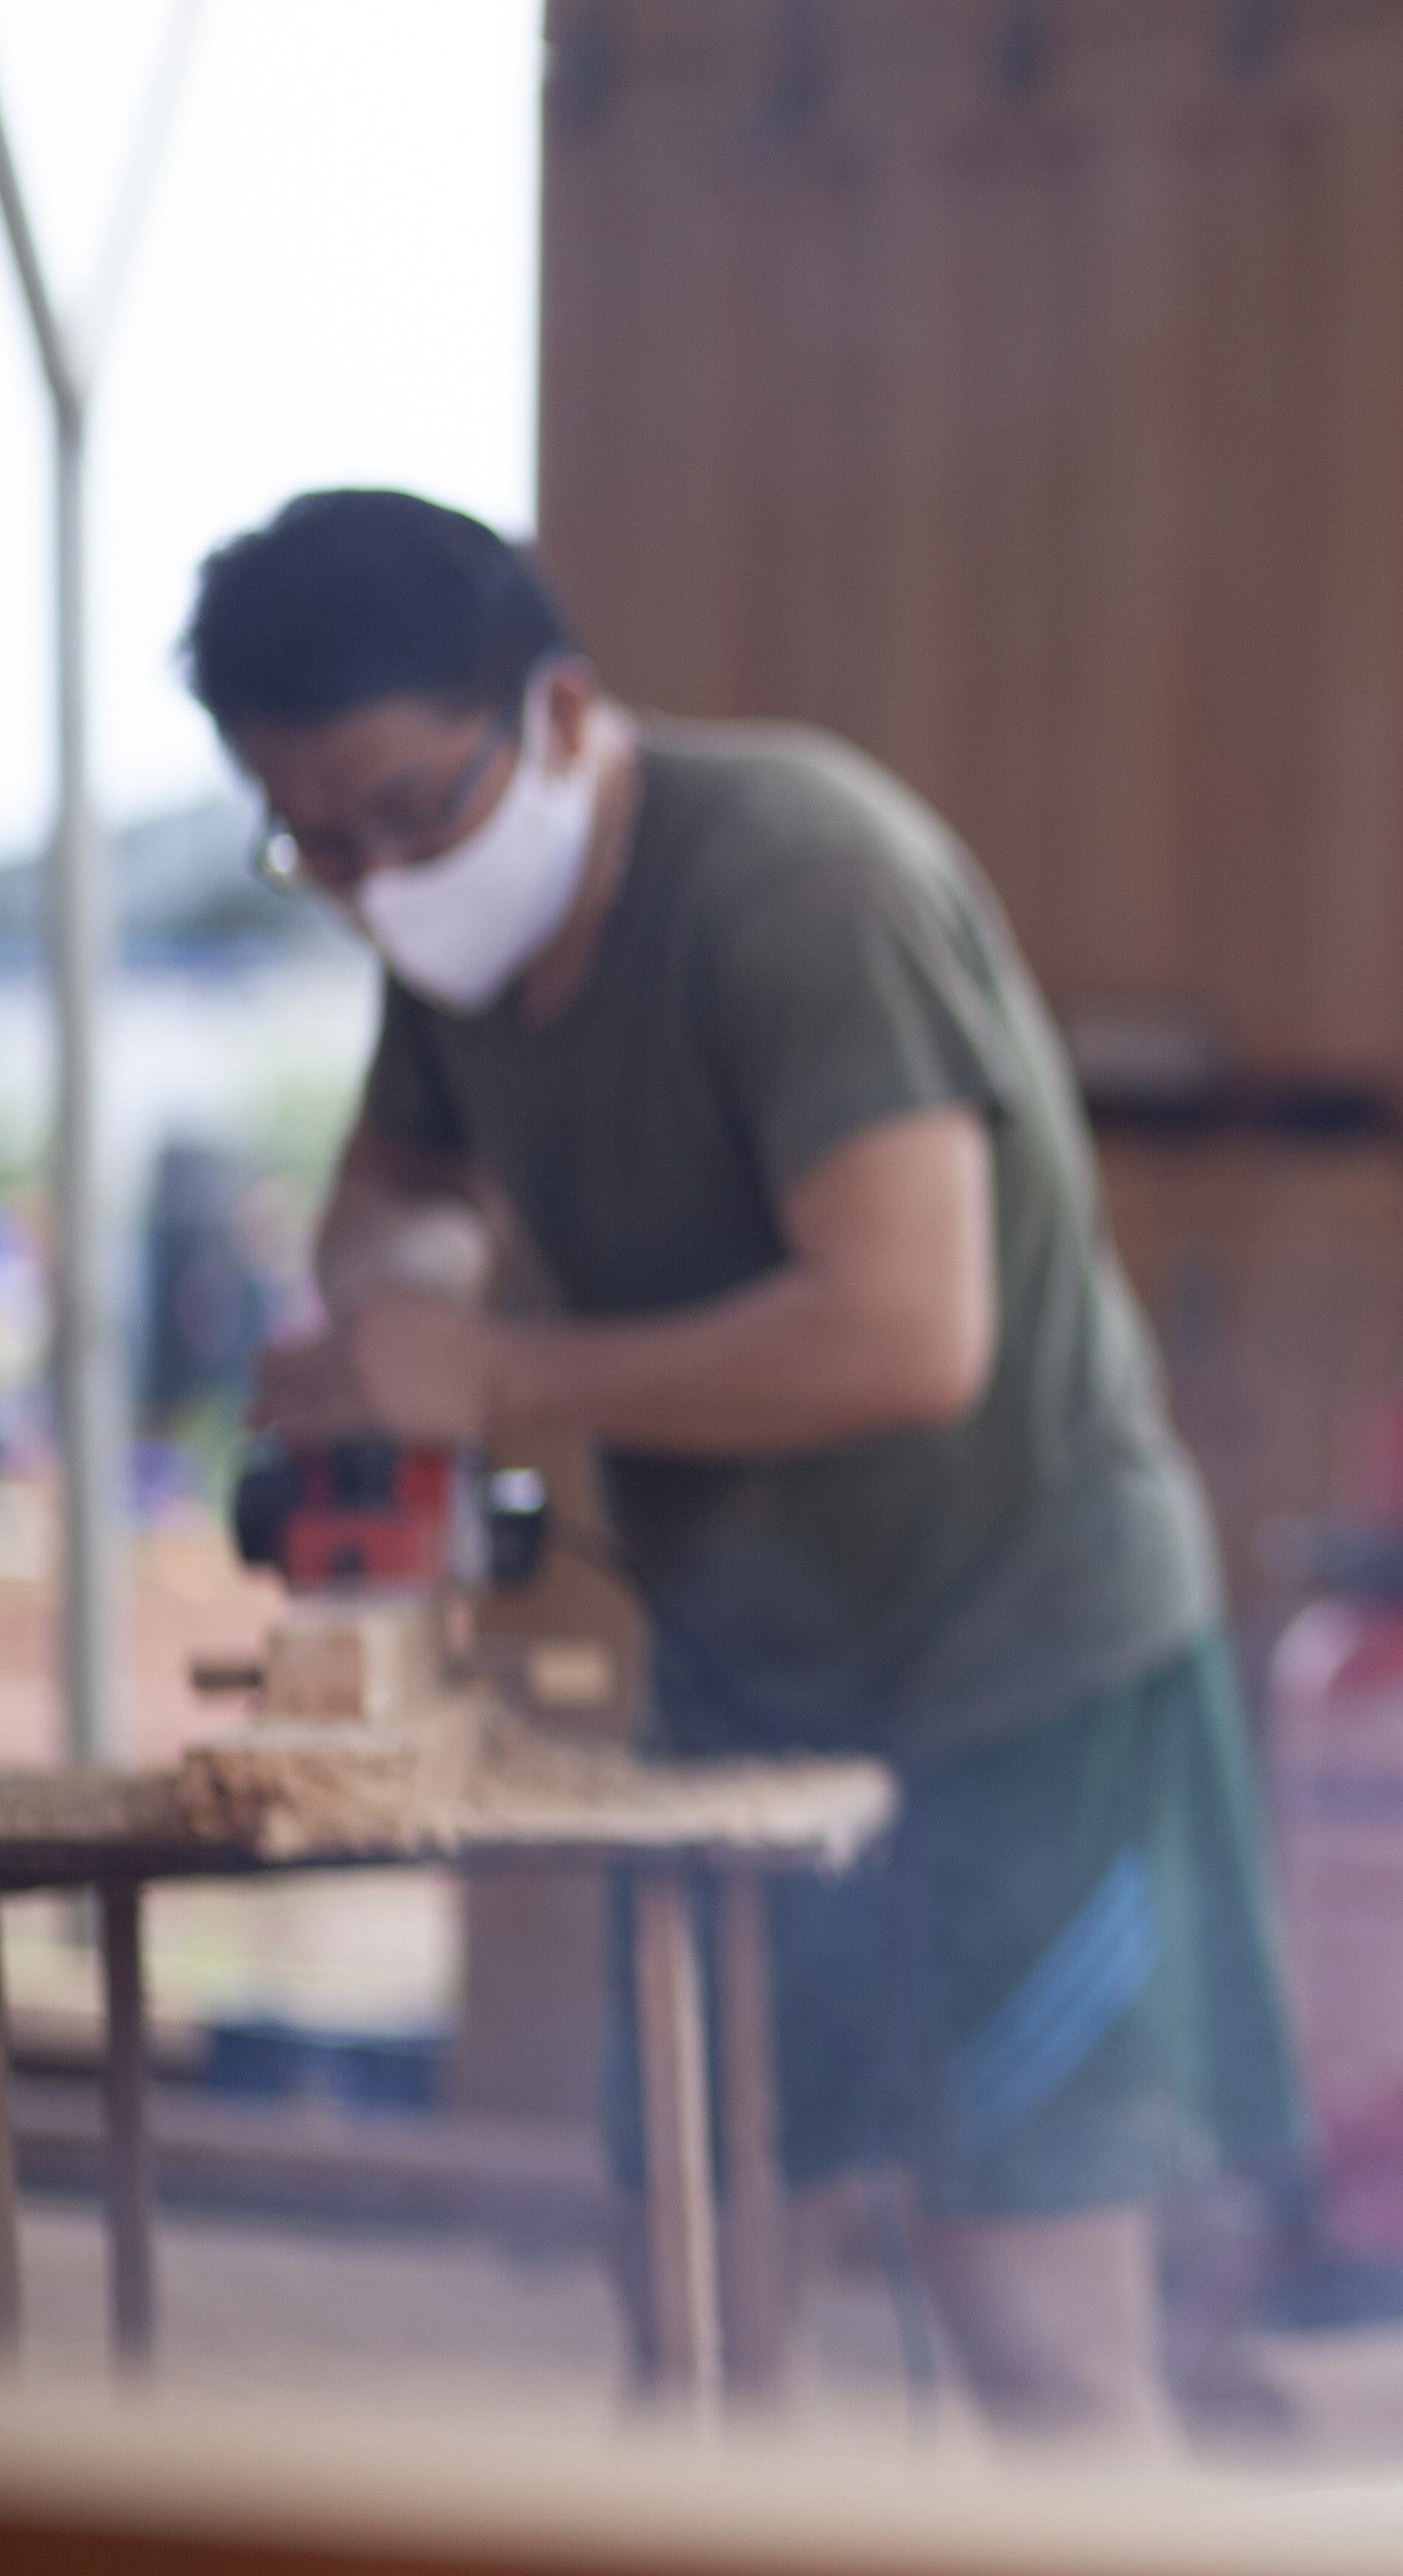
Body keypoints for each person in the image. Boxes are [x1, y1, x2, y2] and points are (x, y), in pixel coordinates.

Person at [201, 489, 1300, 2440]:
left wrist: (499, 1372)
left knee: (1041, 2342)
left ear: (556, 713)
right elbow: (401, 1192)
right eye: (318, 846)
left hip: (1020, 1667)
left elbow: (906, 1330)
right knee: (697, 2324)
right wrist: (391, 1331)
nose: (374, 883)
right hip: (743, 1677)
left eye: (401, 814)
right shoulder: (452, 935)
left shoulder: (798, 876)